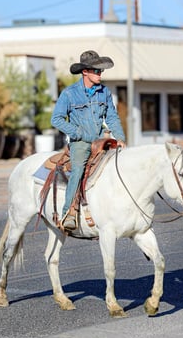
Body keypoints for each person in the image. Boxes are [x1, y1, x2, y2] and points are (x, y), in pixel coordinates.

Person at [51, 50, 127, 231]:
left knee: (119, 165)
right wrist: (78, 133)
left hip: (101, 139)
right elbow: (56, 119)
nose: (100, 74)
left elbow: (112, 117)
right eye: (96, 71)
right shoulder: (69, 94)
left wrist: (121, 138)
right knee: (77, 170)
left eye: (101, 71)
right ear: (85, 72)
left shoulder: (105, 92)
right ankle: (68, 212)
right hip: (80, 142)